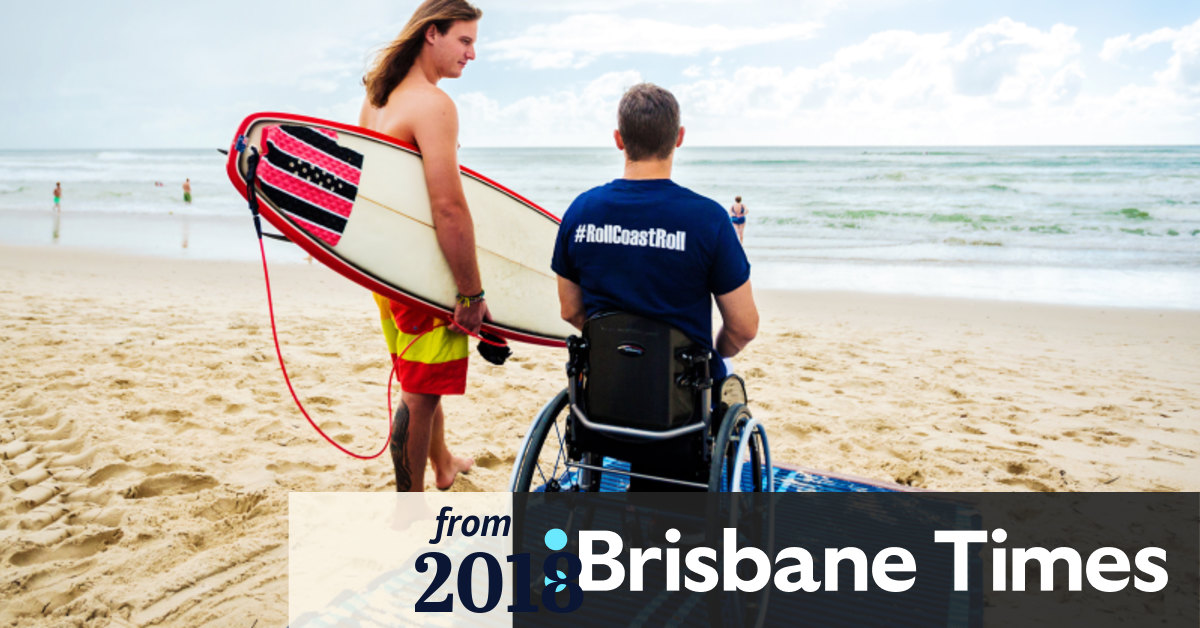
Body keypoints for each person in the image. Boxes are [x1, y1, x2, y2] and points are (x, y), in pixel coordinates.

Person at [552, 84, 759, 488]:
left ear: (618, 140)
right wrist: (715, 352)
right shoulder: (708, 220)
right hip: (679, 413)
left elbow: (570, 311)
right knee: (723, 379)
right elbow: (744, 327)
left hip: (603, 403)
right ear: (679, 137)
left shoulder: (581, 211)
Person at [359, 0, 483, 492]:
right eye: (465, 40)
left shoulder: (379, 96)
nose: (471, 54)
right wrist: (471, 294)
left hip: (385, 270)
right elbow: (448, 207)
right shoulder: (434, 105)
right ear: (432, 33)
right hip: (421, 278)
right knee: (419, 395)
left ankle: (445, 462)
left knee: (421, 381)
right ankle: (407, 509)